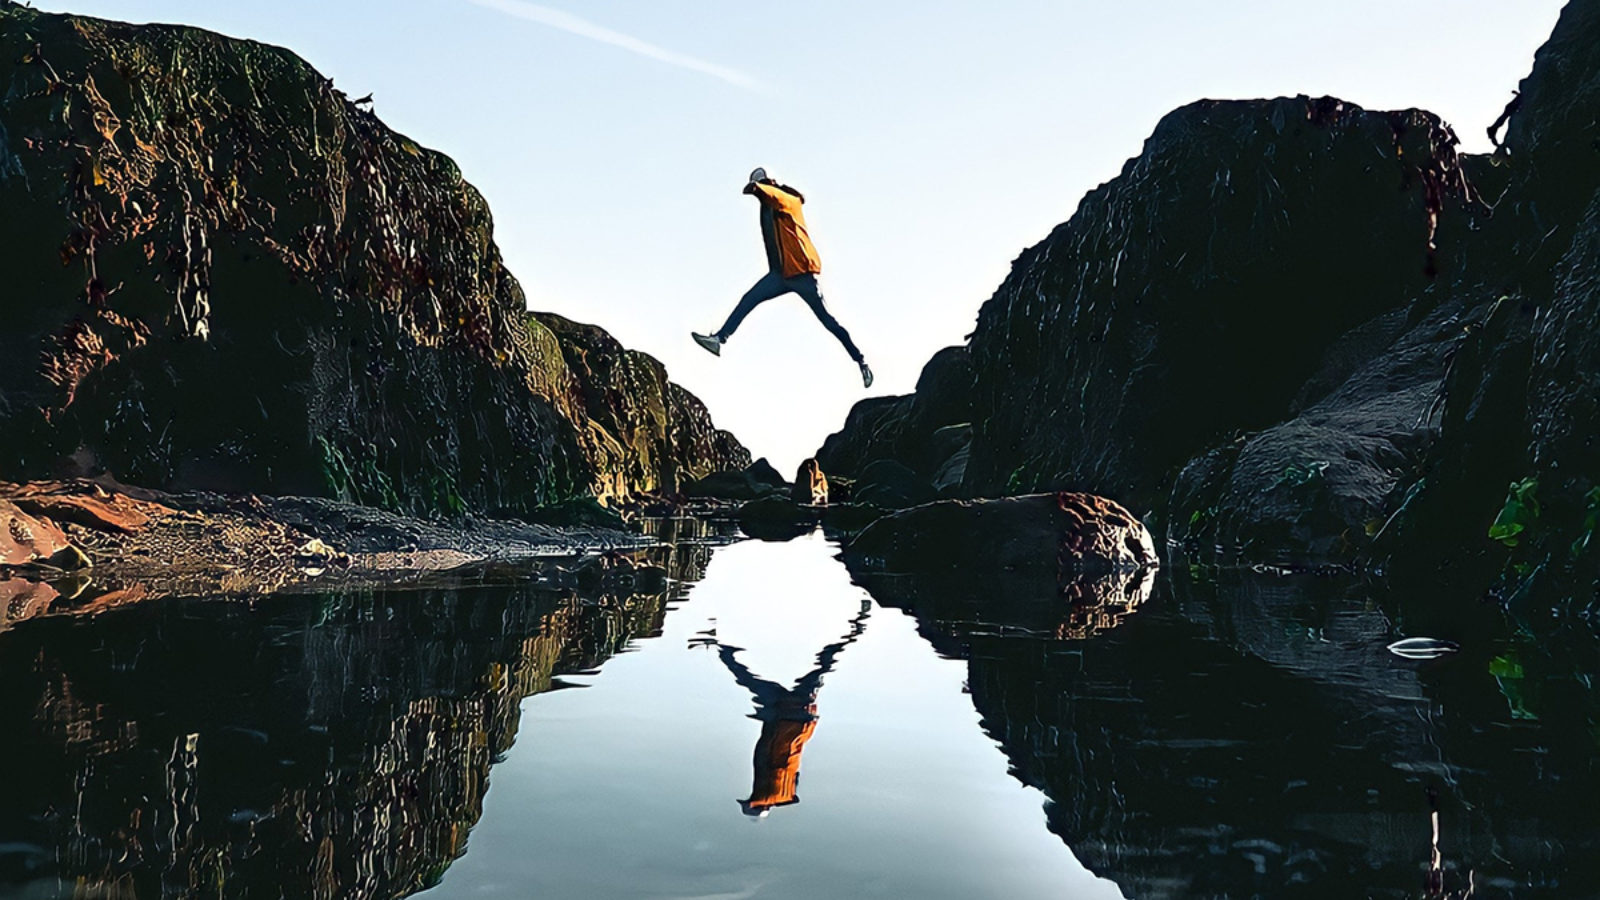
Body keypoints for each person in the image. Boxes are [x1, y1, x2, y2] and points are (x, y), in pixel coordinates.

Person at [692, 168, 873, 388]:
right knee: (749, 299)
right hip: (779, 275)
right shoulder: (766, 208)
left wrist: (757, 188)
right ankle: (719, 339)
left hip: (802, 273)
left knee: (828, 321)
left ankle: (860, 361)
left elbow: (775, 196)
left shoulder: (788, 200)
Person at [698, 602, 872, 817]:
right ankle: (720, 648)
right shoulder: (770, 790)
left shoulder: (785, 789)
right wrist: (756, 805)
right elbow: (765, 795)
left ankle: (721, 649)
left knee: (822, 665)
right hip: (788, 714)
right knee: (749, 677)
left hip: (796, 717)